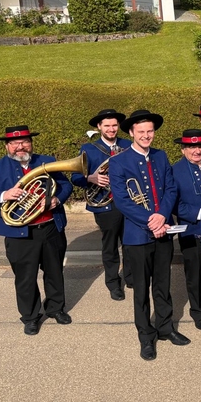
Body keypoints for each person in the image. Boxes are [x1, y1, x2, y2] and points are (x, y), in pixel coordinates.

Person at [109, 110, 190, 360]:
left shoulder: (160, 156)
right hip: (137, 236)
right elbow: (122, 201)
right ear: (131, 133)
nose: (146, 135)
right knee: (141, 290)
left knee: (163, 285)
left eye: (150, 131)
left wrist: (162, 216)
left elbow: (171, 188)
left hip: (163, 230)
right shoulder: (118, 162)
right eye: (141, 131)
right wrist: (150, 220)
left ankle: (165, 328)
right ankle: (146, 336)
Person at [0, 125, 74, 335]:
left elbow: (66, 185)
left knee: (54, 272)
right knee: (25, 277)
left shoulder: (47, 161)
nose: (20, 147)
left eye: (24, 142)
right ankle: (31, 317)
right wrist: (4, 195)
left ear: (31, 143)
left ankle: (56, 309)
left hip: (51, 228)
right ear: (7, 146)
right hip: (19, 234)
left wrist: (57, 199)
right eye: (15, 143)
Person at [72, 109, 132, 301]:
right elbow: (75, 177)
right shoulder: (88, 149)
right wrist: (91, 177)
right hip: (104, 203)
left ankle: (131, 277)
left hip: (129, 202)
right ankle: (113, 283)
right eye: (107, 125)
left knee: (131, 243)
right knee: (110, 245)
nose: (111, 129)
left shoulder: (129, 145)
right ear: (99, 127)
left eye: (114, 125)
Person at [171, 129, 201, 330]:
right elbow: (173, 204)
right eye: (191, 147)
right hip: (191, 229)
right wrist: (200, 214)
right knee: (193, 273)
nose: (196, 150)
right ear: (183, 150)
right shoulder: (174, 171)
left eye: (199, 146)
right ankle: (198, 311)